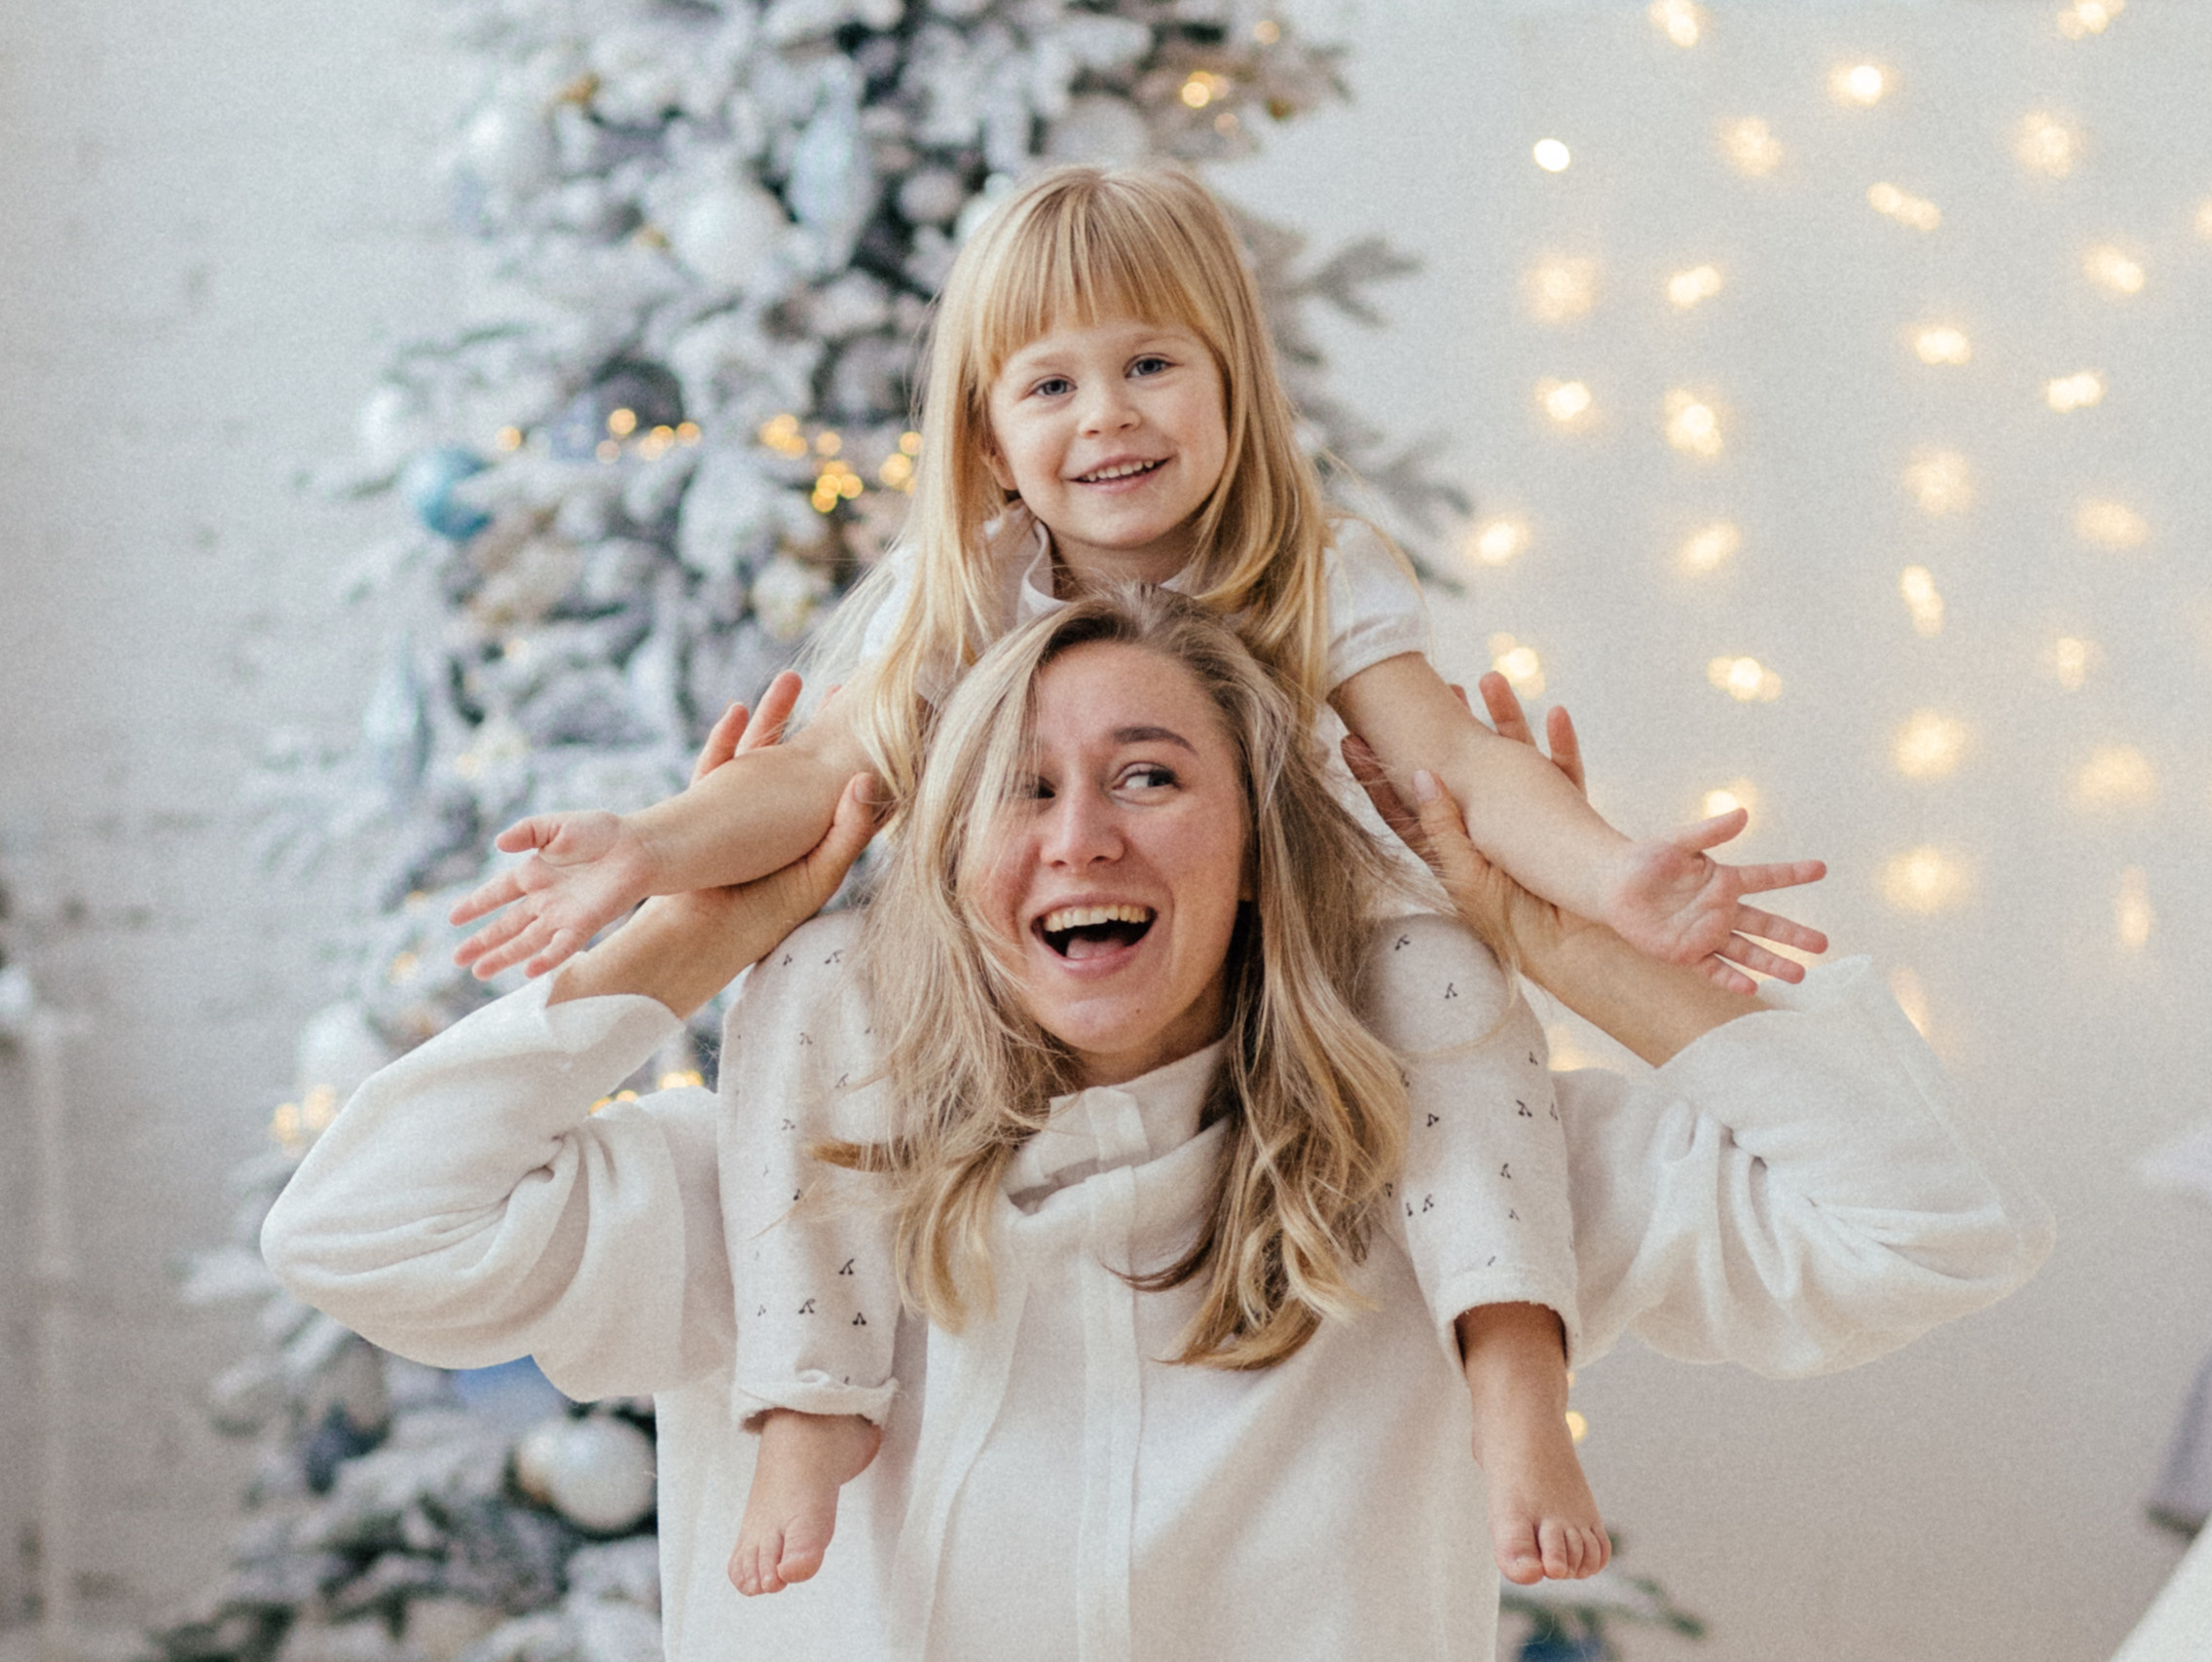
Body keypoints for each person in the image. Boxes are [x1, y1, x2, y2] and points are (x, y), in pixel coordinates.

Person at [440, 164, 1832, 1592]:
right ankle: (812, 1396)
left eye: (1151, 364)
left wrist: (1614, 884)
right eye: (1048, 386)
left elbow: (1456, 768)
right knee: (804, 977)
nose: (1106, 415)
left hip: (1292, 941)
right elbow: (808, 778)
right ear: (984, 436)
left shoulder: (1314, 567)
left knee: (1450, 983)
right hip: (1017, 960)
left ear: (1235, 384)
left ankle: (1516, 1371)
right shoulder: (966, 587)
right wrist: (651, 849)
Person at [262, 589, 2048, 1662]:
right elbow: (363, 1233)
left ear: (1263, 854)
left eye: (1150, 776)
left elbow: (1927, 1231)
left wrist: (1555, 941)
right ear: (946, 872)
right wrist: (699, 935)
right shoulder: (773, 1204)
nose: (1082, 840)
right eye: (1020, 792)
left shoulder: (1452, 1187)